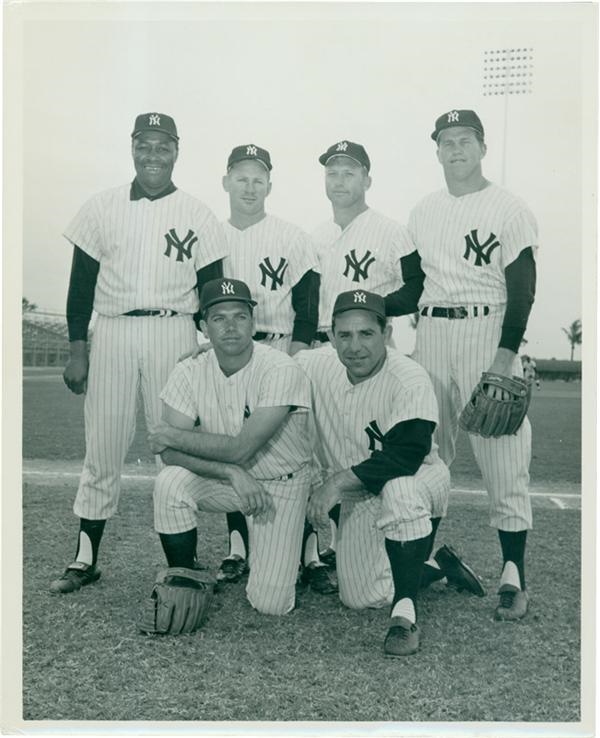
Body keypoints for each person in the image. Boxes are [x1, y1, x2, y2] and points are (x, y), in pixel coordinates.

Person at [50, 113, 227, 594]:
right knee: (103, 445)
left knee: (174, 445)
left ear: (176, 150)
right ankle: (85, 558)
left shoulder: (198, 213)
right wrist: (77, 350)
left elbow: (214, 293)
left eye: (162, 146)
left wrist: (212, 351)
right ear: (132, 148)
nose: (153, 154)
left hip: (174, 331)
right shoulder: (101, 207)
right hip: (113, 330)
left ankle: (183, 561)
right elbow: (79, 288)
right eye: (144, 145)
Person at [385, 109, 538, 621]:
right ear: (437, 151)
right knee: (424, 450)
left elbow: (522, 288)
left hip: (486, 329)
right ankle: (423, 560)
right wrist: (367, 304)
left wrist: (504, 354)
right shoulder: (423, 211)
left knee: (502, 456)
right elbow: (413, 288)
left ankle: (512, 572)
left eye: (465, 140)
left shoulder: (509, 208)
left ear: (482, 147)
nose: (455, 149)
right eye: (446, 141)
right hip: (430, 332)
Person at [297, 289, 450, 656]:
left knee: (400, 491)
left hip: (421, 479)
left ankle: (405, 614)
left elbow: (407, 455)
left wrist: (336, 482)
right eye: (344, 335)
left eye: (366, 333)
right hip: (361, 491)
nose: (355, 346)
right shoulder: (315, 365)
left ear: (386, 332)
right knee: (361, 597)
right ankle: (436, 566)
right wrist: (211, 353)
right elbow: (266, 363)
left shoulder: (409, 378)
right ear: (331, 336)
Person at [147, 278, 312, 617]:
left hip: (282, 484)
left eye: (240, 316)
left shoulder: (279, 368)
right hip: (229, 481)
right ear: (204, 327)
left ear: (254, 322)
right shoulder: (189, 369)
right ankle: (185, 579)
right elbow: (169, 455)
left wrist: (173, 435)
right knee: (170, 483)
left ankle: (295, 536)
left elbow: (238, 449)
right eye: (219, 318)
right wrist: (229, 472)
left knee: (271, 604)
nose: (231, 326)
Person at [215, 144, 322, 587]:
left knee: (301, 450)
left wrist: (297, 355)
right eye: (241, 177)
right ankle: (238, 546)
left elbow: (309, 301)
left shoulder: (292, 236)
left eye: (258, 178)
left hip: (279, 345)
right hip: (230, 352)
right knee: (233, 442)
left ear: (270, 186)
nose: (250, 185)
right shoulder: (211, 235)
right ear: (226, 182)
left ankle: (310, 549)